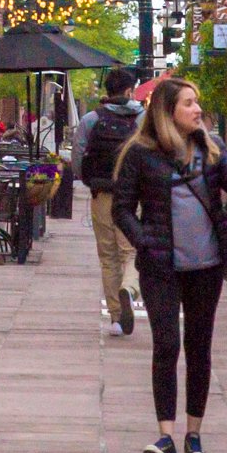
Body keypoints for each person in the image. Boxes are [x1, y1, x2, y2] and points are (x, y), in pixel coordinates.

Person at [111, 76, 227, 453]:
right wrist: (145, 240)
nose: (197, 110)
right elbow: (121, 208)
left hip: (207, 265)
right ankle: (166, 437)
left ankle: (194, 434)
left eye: (197, 103)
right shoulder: (140, 153)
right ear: (168, 112)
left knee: (198, 346)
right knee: (166, 345)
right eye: (189, 104)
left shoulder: (211, 149)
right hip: (161, 266)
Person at [76, 67, 147, 335]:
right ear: (129, 91)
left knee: (107, 257)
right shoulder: (142, 118)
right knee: (131, 251)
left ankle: (116, 318)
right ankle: (129, 288)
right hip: (132, 196)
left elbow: (78, 158)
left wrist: (90, 181)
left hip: (102, 194)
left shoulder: (91, 119)